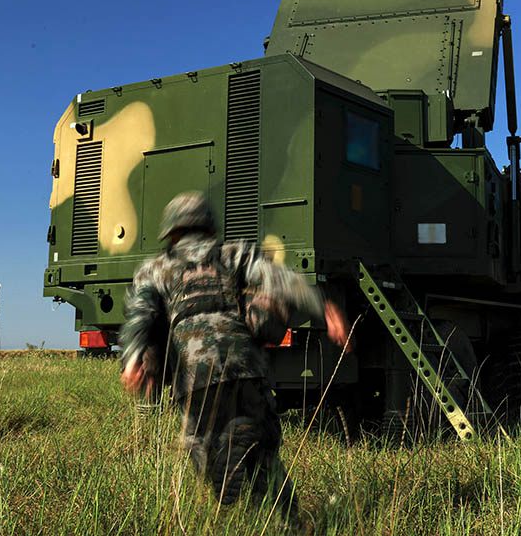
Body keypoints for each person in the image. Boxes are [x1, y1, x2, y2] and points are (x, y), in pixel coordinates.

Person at [119, 191, 350, 526]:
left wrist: (133, 358)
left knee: (203, 449)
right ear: (208, 226)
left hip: (195, 376)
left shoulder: (156, 269)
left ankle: (231, 485)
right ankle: (292, 524)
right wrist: (323, 307)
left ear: (171, 232)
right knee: (265, 454)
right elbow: (281, 281)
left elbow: (140, 314)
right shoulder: (234, 253)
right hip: (245, 365)